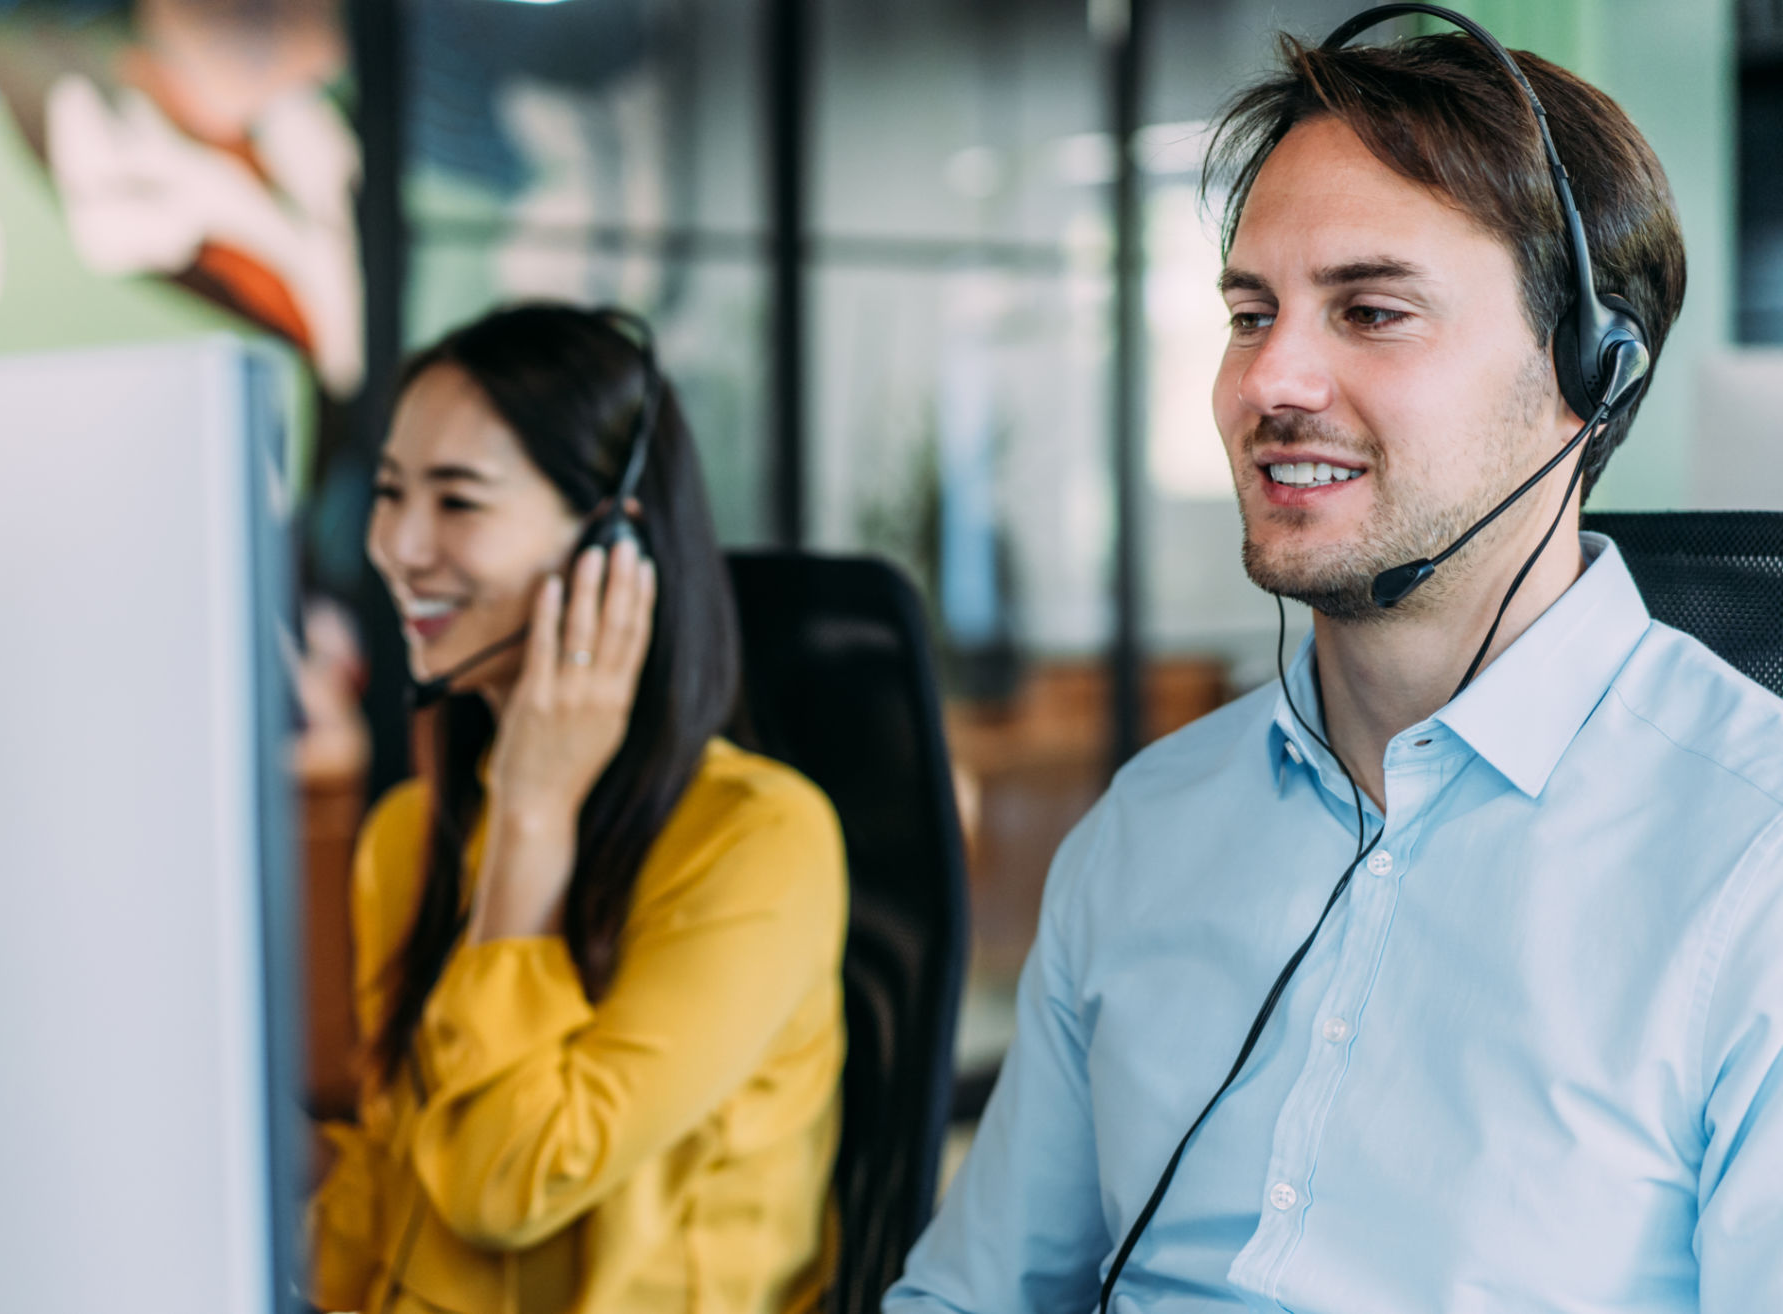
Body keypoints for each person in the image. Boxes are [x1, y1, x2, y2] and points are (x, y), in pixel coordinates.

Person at [889, 14, 1783, 1314]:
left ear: (1590, 374)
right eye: (1251, 313)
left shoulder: (1751, 860)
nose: (1272, 379)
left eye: (1371, 310)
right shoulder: (1148, 828)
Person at [308, 303, 848, 1314]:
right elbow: (387, 1202)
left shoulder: (758, 840)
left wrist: (533, 813)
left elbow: (500, 1188)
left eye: (458, 502)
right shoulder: (405, 837)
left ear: (611, 545)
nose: (399, 546)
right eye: (388, 493)